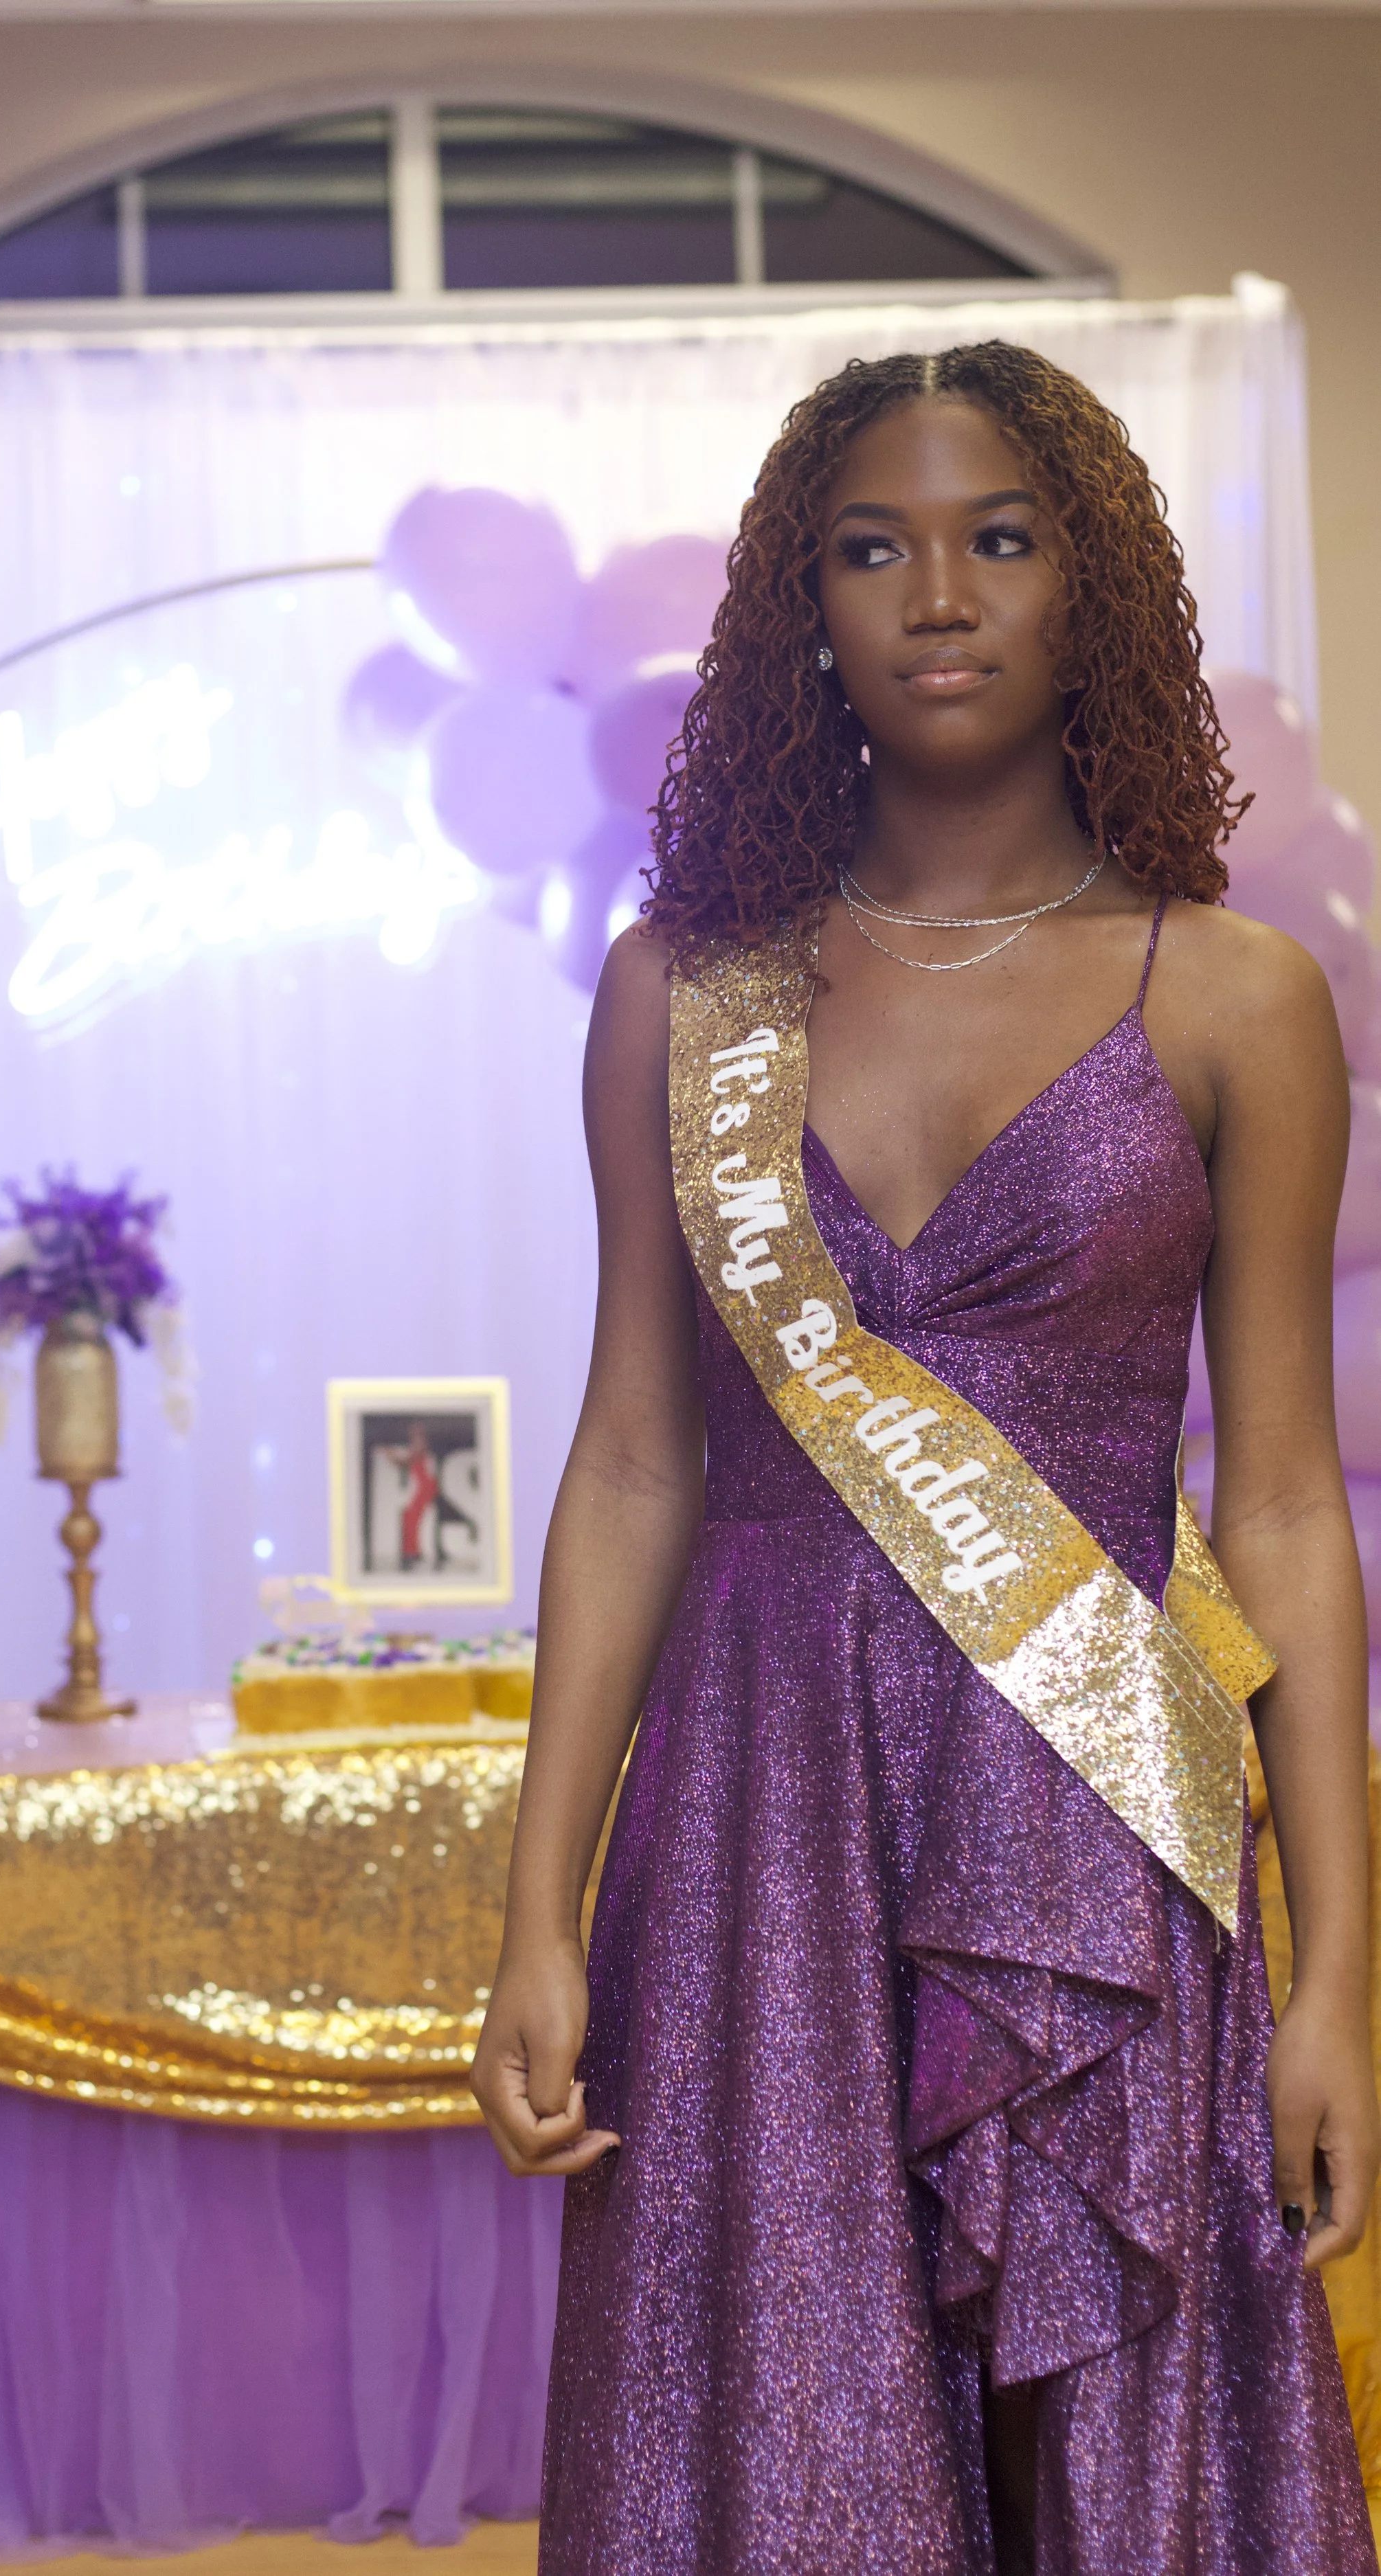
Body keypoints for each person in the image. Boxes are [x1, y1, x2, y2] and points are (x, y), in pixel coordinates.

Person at [471, 343, 1380, 2573]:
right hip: (753, 1818)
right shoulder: (679, 989)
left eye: (998, 537)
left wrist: (1344, 1957)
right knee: (779, 2434)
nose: (938, 594)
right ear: (808, 604)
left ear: (1091, 590)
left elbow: (1277, 1496)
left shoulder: (1233, 994)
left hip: (1104, 1829)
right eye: (873, 547)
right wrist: (533, 1908)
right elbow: (628, 1466)